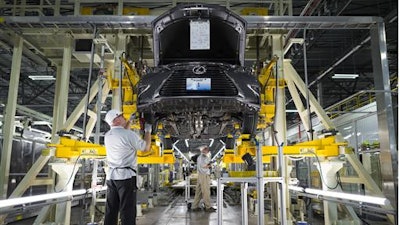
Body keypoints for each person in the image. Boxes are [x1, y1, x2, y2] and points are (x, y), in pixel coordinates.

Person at [103, 109, 152, 225]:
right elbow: (145, 147)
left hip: (111, 177)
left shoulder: (108, 135)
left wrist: (129, 120)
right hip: (126, 178)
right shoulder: (129, 135)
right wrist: (148, 131)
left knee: (111, 209)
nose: (124, 117)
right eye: (121, 116)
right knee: (127, 210)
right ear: (116, 120)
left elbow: (122, 134)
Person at [192, 145, 216, 212]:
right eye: (206, 149)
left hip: (200, 175)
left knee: (198, 192)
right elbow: (205, 166)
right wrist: (210, 165)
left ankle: (194, 206)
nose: (207, 151)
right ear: (204, 150)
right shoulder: (204, 157)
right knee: (206, 191)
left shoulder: (199, 157)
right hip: (204, 175)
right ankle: (208, 207)